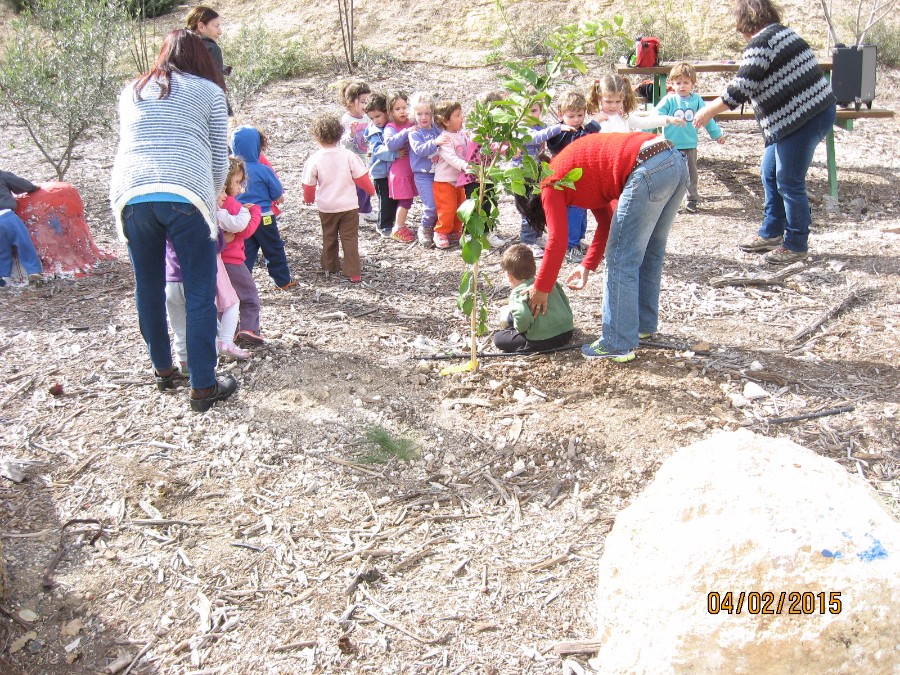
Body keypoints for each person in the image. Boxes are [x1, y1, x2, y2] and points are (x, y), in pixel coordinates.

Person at [109, 28, 236, 412]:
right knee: (198, 292)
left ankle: (164, 371)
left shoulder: (132, 89)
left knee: (148, 286)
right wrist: (210, 199)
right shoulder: (210, 92)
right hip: (185, 194)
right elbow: (219, 159)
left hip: (131, 194)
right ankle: (203, 385)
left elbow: (132, 141)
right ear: (202, 58)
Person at [515, 132, 688, 363]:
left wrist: (541, 287)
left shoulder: (549, 181)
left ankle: (617, 342)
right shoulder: (570, 172)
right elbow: (607, 223)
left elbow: (557, 241)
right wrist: (587, 265)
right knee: (649, 252)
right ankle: (642, 325)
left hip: (648, 166)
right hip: (673, 160)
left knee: (620, 258)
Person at [693, 0, 835, 264]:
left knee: (789, 180)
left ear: (747, 21)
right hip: (803, 115)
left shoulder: (762, 42)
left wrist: (709, 110)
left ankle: (796, 243)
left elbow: (741, 87)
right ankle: (772, 232)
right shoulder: (782, 33)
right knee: (770, 172)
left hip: (803, 117)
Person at [301, 114, 376, 282]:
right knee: (349, 238)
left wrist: (309, 198)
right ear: (340, 135)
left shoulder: (314, 159)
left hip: (327, 206)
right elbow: (361, 177)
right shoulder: (348, 155)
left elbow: (309, 184)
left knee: (329, 235)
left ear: (316, 137)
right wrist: (371, 191)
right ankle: (353, 271)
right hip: (349, 205)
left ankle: (330, 265)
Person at [653, 63, 726, 213]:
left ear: (692, 83)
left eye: (685, 82)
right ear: (672, 84)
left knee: (691, 173)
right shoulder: (669, 100)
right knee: (670, 173)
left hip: (689, 144)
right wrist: (643, 131)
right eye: (678, 83)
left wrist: (716, 134)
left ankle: (692, 199)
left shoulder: (697, 100)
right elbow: (656, 116)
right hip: (670, 145)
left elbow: (708, 119)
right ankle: (667, 199)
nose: (682, 86)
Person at [231, 125, 295, 289]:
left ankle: (241, 283)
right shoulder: (263, 170)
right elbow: (277, 193)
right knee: (273, 247)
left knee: (246, 250)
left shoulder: (232, 171)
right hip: (264, 216)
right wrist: (277, 198)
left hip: (241, 217)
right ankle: (282, 280)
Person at [546, 90, 600, 264]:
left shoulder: (579, 129)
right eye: (571, 116)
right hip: (566, 178)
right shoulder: (559, 132)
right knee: (574, 211)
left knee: (582, 210)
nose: (576, 120)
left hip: (580, 177)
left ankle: (578, 240)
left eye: (580, 115)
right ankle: (570, 246)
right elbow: (578, 142)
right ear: (561, 115)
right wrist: (594, 126)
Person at [217, 156, 264, 347]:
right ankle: (249, 328)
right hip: (233, 260)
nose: (239, 187)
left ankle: (227, 331)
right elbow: (245, 230)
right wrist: (256, 213)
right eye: (237, 182)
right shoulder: (232, 205)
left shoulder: (214, 203)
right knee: (249, 295)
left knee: (224, 298)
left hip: (218, 260)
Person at [494, 244, 574, 353]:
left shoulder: (517, 294)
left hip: (542, 340)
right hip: (567, 331)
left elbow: (522, 316)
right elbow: (565, 301)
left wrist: (519, 329)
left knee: (498, 338)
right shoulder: (549, 282)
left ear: (509, 276)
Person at [512, 100, 565, 259]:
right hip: (524, 172)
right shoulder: (520, 129)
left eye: (534, 111)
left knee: (540, 203)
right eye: (526, 111)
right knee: (528, 206)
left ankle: (537, 235)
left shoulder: (541, 125)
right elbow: (533, 138)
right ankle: (527, 240)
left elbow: (549, 138)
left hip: (538, 171)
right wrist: (558, 128)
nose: (530, 115)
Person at [408, 91, 447, 248]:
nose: (423, 117)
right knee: (431, 205)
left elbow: (448, 136)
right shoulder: (415, 133)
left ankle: (439, 229)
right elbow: (420, 150)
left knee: (443, 203)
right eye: (419, 114)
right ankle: (424, 228)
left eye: (427, 113)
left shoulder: (437, 129)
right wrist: (436, 143)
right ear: (414, 114)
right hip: (423, 175)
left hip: (440, 172)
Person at [337, 79, 377, 224]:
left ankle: (365, 210)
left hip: (365, 156)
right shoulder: (346, 119)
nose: (365, 105)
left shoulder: (367, 117)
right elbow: (342, 142)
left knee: (366, 182)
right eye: (362, 101)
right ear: (351, 102)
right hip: (351, 159)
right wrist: (352, 134)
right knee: (356, 186)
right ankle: (355, 213)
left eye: (368, 101)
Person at [587, 75, 683, 133]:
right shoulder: (598, 119)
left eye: (618, 102)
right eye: (608, 102)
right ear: (599, 98)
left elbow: (644, 122)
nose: (614, 106)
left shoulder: (623, 116)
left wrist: (666, 119)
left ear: (623, 99)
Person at [431, 100, 468, 250]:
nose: (462, 118)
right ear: (446, 121)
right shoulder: (445, 138)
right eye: (457, 115)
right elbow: (451, 157)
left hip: (459, 179)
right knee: (447, 208)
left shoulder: (461, 134)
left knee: (459, 206)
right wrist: (466, 166)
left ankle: (455, 230)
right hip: (444, 180)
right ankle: (440, 231)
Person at [383, 92, 418, 243]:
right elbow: (390, 144)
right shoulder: (391, 127)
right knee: (404, 200)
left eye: (404, 107)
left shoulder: (410, 123)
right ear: (390, 111)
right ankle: (397, 228)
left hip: (409, 170)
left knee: (408, 200)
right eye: (397, 109)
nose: (402, 111)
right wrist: (405, 132)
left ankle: (401, 225)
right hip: (399, 172)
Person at [364, 93, 399, 238]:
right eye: (372, 118)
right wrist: (395, 154)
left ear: (387, 112)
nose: (375, 120)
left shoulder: (391, 126)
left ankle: (395, 223)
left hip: (392, 172)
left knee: (395, 198)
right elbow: (378, 150)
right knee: (385, 200)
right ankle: (383, 225)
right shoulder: (375, 131)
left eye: (378, 116)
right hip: (380, 172)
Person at [185, 5, 232, 114]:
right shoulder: (211, 48)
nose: (220, 32)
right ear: (201, 27)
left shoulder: (179, 45)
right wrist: (229, 115)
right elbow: (216, 86)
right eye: (216, 26)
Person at [0, 171, 42, 287]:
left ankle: (3, 275)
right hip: (6, 216)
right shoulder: (2, 175)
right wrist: (33, 187)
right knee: (23, 242)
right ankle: (33, 270)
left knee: (2, 250)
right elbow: (22, 185)